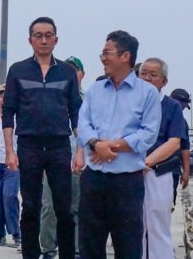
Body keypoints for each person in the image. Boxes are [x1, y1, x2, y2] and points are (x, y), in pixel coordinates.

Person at [2, 17, 82, 259]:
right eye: (38, 35)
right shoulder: (18, 70)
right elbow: (8, 112)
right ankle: (31, 254)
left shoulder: (67, 72)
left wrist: (80, 151)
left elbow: (76, 112)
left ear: (56, 39)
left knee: (64, 208)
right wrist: (9, 151)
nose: (44, 40)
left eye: (49, 35)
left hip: (59, 147)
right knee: (30, 207)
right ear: (30, 40)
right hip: (29, 146)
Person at [77, 31, 162, 259]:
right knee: (89, 246)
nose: (103, 58)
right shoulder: (95, 90)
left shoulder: (148, 93)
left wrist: (109, 147)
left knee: (128, 247)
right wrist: (96, 144)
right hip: (93, 180)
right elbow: (82, 124)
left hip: (127, 183)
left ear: (125, 56)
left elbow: (148, 134)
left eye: (107, 53)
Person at [138, 58, 186, 258]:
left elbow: (174, 142)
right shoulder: (129, 103)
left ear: (164, 81)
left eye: (153, 74)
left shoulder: (171, 106)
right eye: (143, 74)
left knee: (158, 224)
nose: (147, 78)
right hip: (129, 171)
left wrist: (146, 163)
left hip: (157, 172)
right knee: (133, 226)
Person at [40, 56, 86, 259]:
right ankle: (48, 248)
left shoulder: (89, 100)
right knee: (49, 208)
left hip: (79, 162)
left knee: (76, 208)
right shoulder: (50, 94)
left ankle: (74, 249)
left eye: (75, 70)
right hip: (53, 159)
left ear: (82, 74)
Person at [0, 84, 21, 247]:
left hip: (12, 161)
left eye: (7, 95)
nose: (4, 98)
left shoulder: (17, 117)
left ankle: (16, 232)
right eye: (1, 95)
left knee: (9, 196)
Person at [169, 88, 192, 206]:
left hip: (172, 170)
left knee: (169, 205)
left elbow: (185, 148)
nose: (181, 109)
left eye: (183, 107)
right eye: (181, 106)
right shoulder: (156, 115)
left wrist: (186, 172)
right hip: (151, 168)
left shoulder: (183, 123)